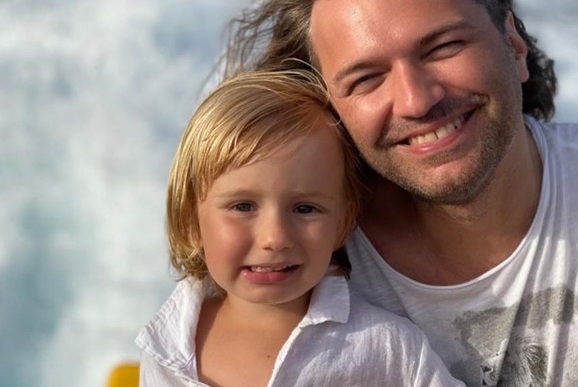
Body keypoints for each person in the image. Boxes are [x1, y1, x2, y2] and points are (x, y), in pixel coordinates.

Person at [224, 0, 578, 386]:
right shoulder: (286, 254)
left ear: (513, 44)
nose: (416, 101)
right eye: (366, 78)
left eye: (443, 47)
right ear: (330, 108)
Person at [136, 69, 464, 386]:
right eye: (243, 207)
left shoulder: (388, 349)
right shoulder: (165, 350)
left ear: (342, 223)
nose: (275, 238)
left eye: (305, 209)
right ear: (191, 221)